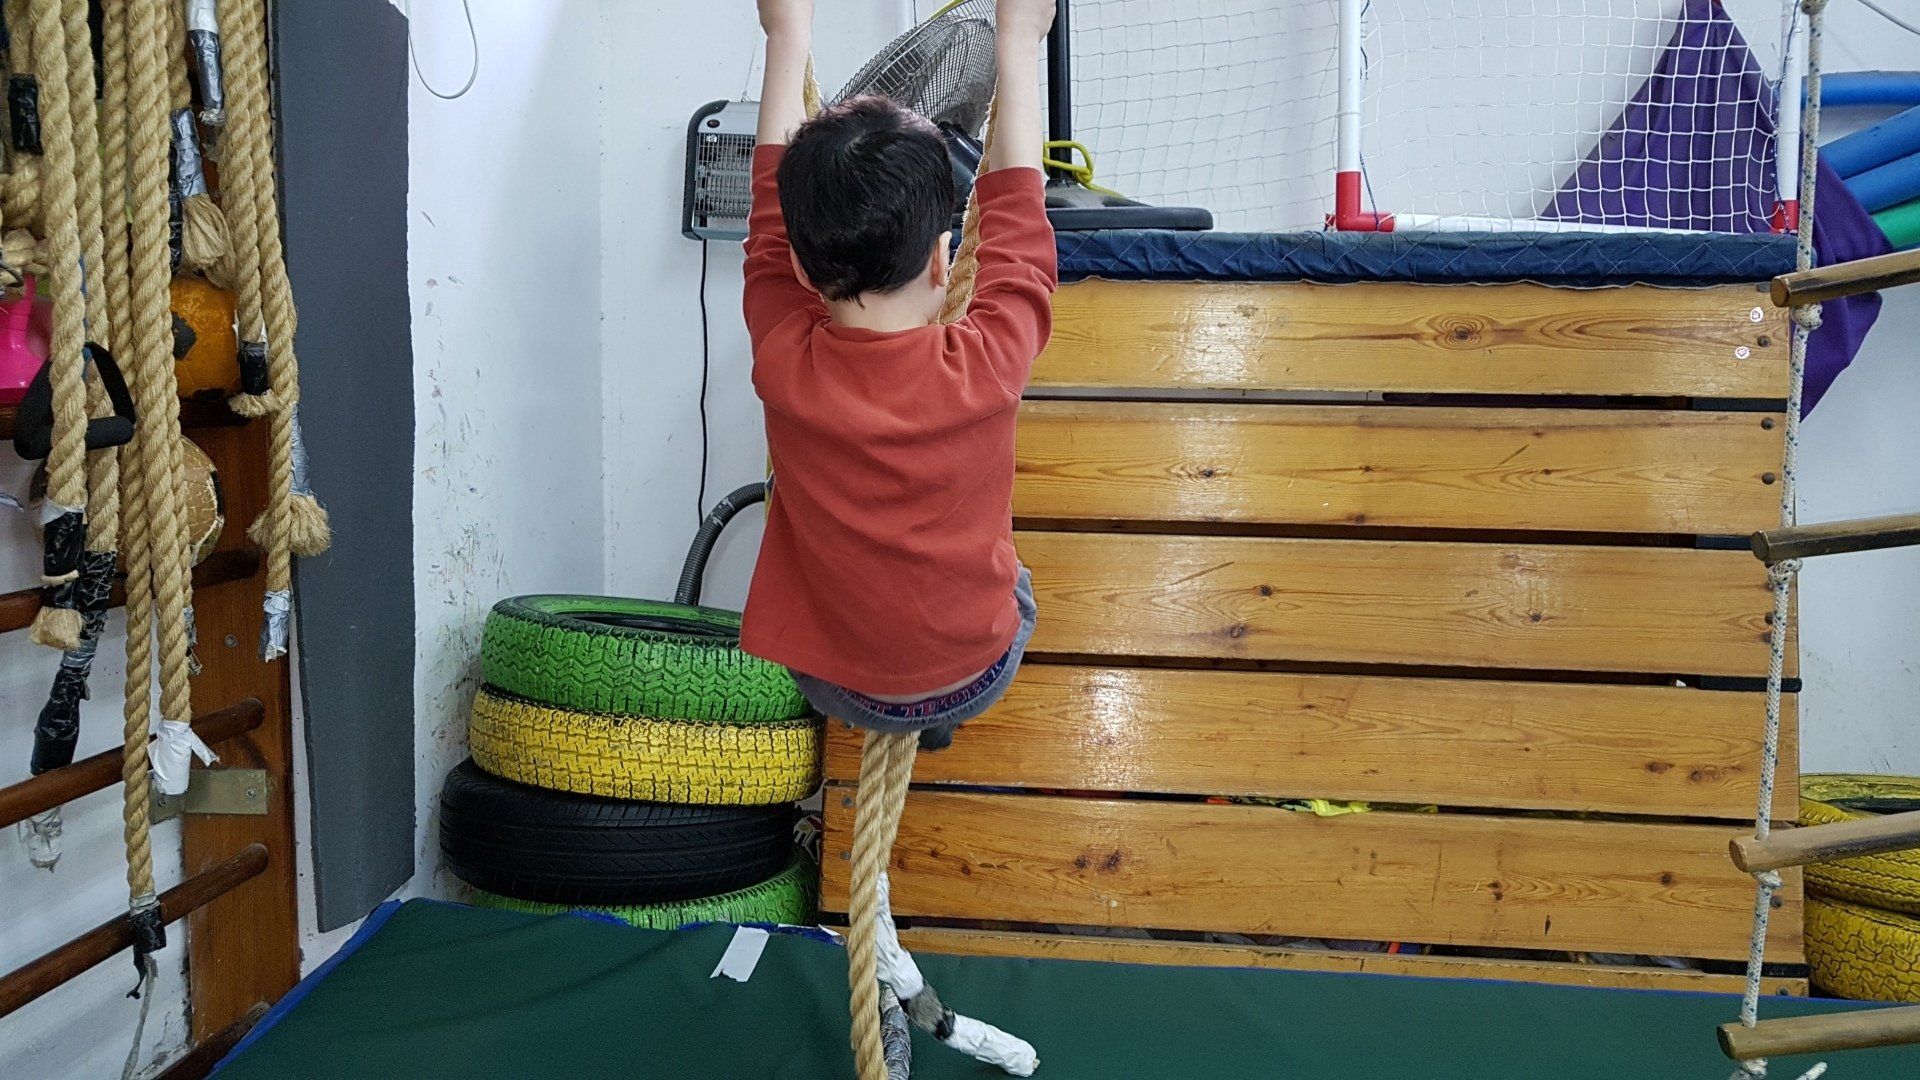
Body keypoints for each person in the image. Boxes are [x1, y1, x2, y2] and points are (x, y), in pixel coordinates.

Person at [742, 0, 1057, 751]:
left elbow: (768, 228)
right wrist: (1019, 38)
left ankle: (904, 707)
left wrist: (788, 34)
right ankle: (932, 711)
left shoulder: (784, 355)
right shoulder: (986, 364)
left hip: (832, 682)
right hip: (976, 673)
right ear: (944, 261)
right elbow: (1019, 218)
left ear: (802, 268)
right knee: (1015, 586)